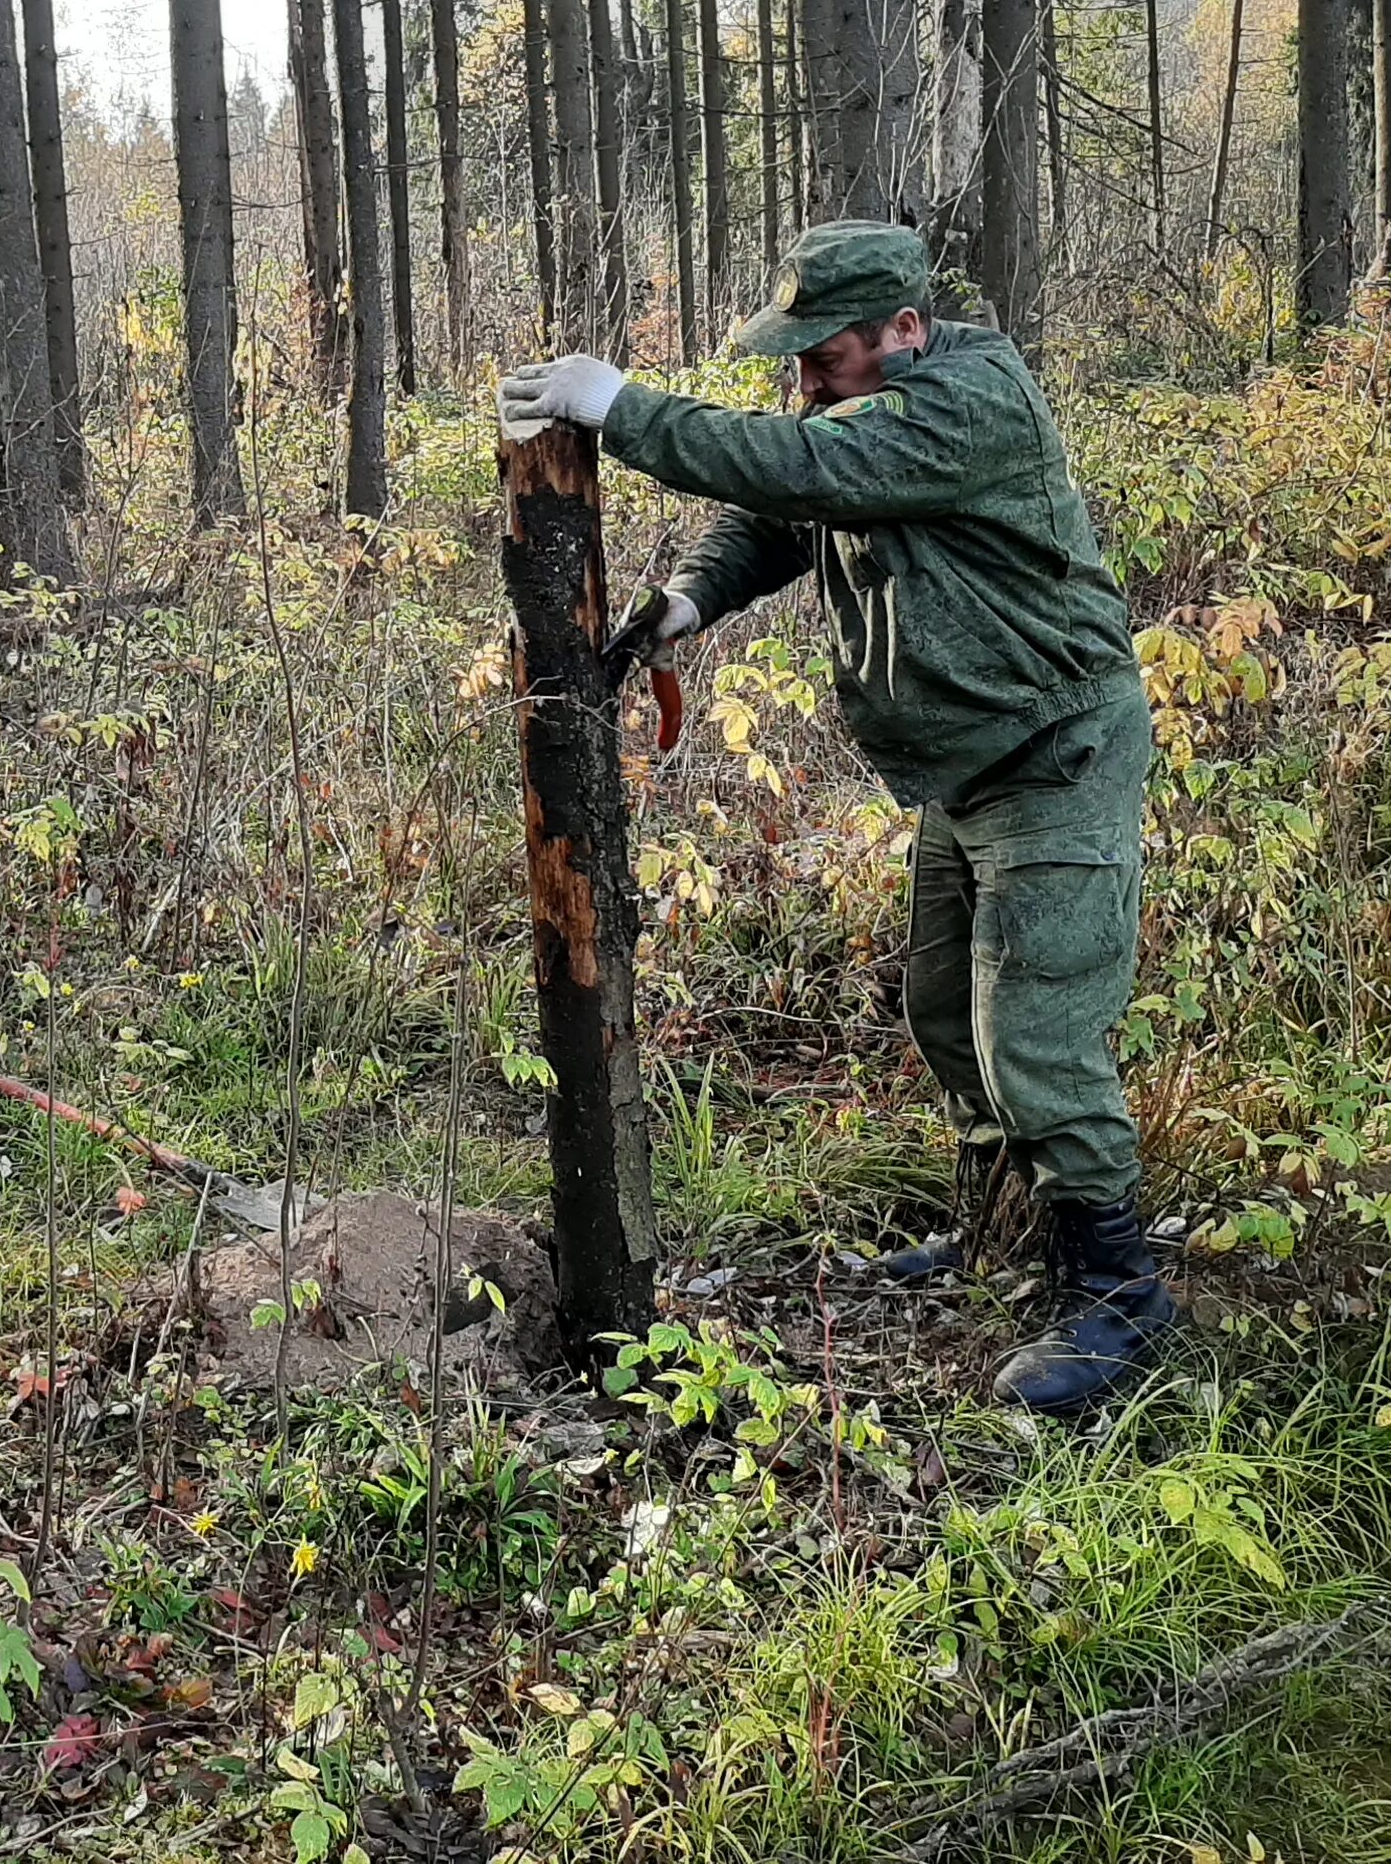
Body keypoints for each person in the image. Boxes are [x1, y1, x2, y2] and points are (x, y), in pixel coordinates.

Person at [498, 220, 1173, 1414]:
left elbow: (812, 472)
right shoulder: (868, 409)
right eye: (796, 359)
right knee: (941, 1011)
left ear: (905, 332)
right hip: (969, 763)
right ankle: (1002, 1233)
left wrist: (625, 407)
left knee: (1037, 1031)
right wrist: (690, 603)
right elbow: (784, 514)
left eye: (827, 357)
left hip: (1055, 751)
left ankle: (1115, 1292)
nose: (805, 380)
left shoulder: (968, 405)